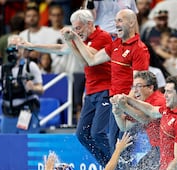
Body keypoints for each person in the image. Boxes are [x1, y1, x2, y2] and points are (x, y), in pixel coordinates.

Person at [20, 9, 112, 168]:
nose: (77, 31)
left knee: (97, 133)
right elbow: (61, 49)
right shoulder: (82, 37)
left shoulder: (102, 36)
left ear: (89, 24)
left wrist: (74, 39)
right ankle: (108, 168)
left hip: (106, 90)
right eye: (75, 28)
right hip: (90, 92)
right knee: (82, 134)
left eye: (79, 28)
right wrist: (31, 45)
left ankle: (116, 165)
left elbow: (90, 58)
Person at [63, 9, 150, 153]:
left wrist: (127, 105)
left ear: (132, 22)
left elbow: (138, 85)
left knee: (123, 147)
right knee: (115, 145)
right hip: (115, 103)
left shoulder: (139, 49)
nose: (116, 24)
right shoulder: (115, 45)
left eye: (120, 20)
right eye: (115, 21)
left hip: (127, 104)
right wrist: (76, 38)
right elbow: (91, 60)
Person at [111, 71, 165, 170]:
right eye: (133, 87)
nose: (134, 91)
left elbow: (146, 118)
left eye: (138, 86)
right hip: (156, 151)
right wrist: (117, 112)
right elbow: (124, 126)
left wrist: (124, 105)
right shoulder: (142, 102)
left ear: (150, 87)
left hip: (166, 152)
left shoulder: (158, 100)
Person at [0, 35, 44, 133]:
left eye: (17, 46)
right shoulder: (2, 69)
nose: (14, 49)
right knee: (7, 143)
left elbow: (41, 90)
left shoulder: (30, 66)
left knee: (24, 142)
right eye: (12, 46)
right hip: (8, 113)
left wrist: (33, 87)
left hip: (26, 111)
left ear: (22, 49)